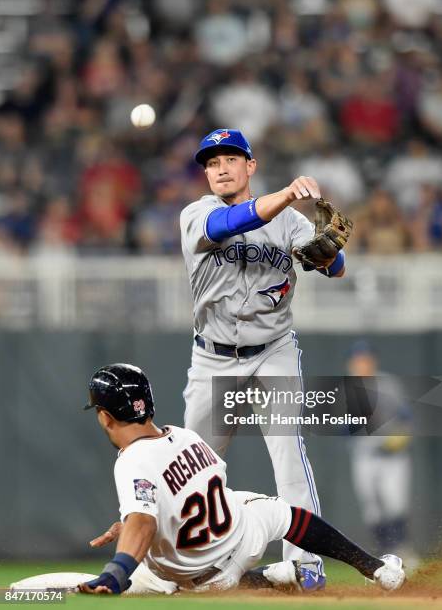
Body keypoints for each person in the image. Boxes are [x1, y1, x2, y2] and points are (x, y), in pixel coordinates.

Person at [179, 128, 348, 588]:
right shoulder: (197, 214)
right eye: (212, 163)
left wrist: (326, 246)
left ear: (250, 166)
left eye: (230, 159)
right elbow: (229, 226)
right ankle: (188, 560)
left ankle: (307, 563)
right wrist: (289, 194)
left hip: (273, 351)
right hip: (213, 357)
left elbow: (336, 268)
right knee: (195, 467)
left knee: (289, 455)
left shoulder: (291, 222)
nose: (220, 168)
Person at [79, 363, 405, 595]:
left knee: (172, 570)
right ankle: (376, 568)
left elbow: (145, 523)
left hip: (200, 579)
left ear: (105, 417)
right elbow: (206, 487)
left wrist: (117, 572)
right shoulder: (184, 437)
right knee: (283, 514)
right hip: (243, 538)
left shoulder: (131, 461)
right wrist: (141, 520)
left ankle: (267, 578)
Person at [346, 341, 415, 560]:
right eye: (358, 360)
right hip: (365, 456)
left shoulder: (387, 384)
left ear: (373, 361)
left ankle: (402, 549)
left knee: (396, 503)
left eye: (365, 359)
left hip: (393, 456)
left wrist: (402, 435)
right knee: (372, 508)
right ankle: (384, 553)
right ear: (350, 363)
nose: (362, 363)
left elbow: (406, 417)